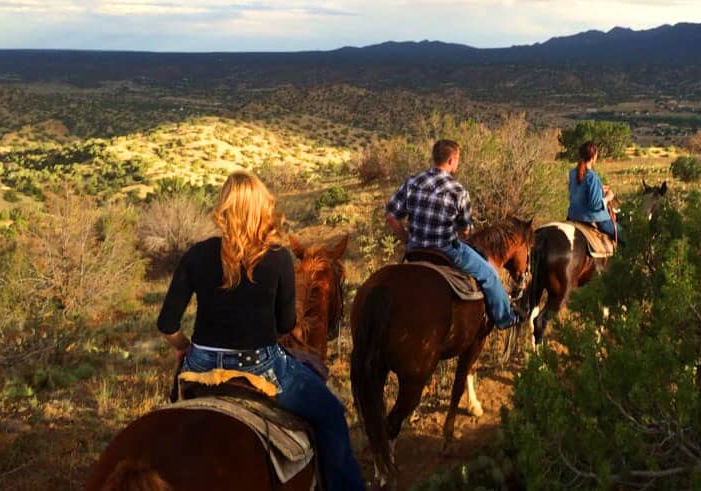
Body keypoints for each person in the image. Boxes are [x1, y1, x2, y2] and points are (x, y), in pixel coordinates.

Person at [157, 170, 365, 491]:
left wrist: (184, 346)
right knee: (332, 414)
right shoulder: (279, 258)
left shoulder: (196, 254)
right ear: (262, 208)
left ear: (223, 207)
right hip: (259, 368)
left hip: (200, 368)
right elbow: (285, 325)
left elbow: (167, 324)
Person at [385, 139, 526, 329]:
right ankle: (505, 318)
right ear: (452, 160)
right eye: (458, 159)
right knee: (489, 275)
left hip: (415, 250)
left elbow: (391, 217)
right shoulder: (458, 191)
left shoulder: (412, 182)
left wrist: (408, 240)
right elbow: (465, 231)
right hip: (445, 251)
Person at [567, 141, 623, 244]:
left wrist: (599, 189)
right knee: (624, 235)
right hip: (593, 217)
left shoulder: (572, 173)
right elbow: (595, 205)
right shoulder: (592, 176)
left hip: (573, 215)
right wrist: (608, 198)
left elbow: (578, 191)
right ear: (593, 157)